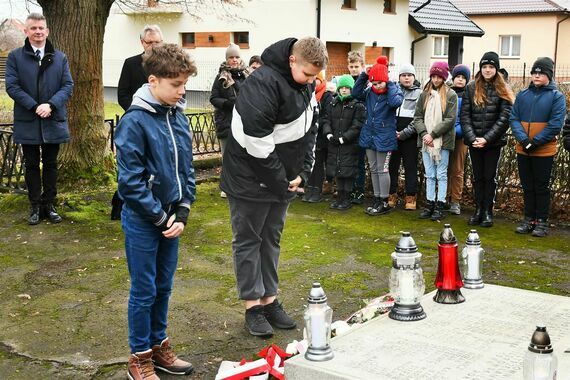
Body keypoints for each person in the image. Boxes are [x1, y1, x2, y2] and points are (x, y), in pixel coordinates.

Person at [220, 37, 327, 337]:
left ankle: (270, 299)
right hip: (249, 178)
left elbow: (310, 129)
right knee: (249, 240)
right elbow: (257, 142)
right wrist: (282, 182)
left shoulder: (305, 85)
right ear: (293, 60)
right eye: (307, 74)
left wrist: (303, 173)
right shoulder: (262, 83)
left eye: (315, 77)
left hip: (282, 181)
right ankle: (252, 305)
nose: (311, 82)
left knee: (271, 239)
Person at [115, 43, 197, 379]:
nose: (182, 91)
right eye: (176, 84)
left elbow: (186, 169)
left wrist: (182, 210)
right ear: (153, 80)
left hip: (170, 219)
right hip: (143, 221)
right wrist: (160, 218)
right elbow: (130, 183)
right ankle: (140, 356)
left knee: (164, 286)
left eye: (184, 84)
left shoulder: (177, 115)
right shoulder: (134, 121)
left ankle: (159, 345)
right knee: (144, 289)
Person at [5, 13, 74, 225]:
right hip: (29, 120)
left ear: (47, 31)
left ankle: (49, 205)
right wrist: (35, 106)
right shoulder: (15, 57)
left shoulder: (60, 58)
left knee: (51, 165)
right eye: (33, 28)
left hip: (53, 119)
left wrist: (50, 105)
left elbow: (67, 86)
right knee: (31, 165)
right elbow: (12, 86)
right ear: (26, 32)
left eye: (41, 28)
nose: (38, 32)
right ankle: (35, 205)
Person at [510, 57, 566, 237]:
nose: (536, 75)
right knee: (527, 186)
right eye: (534, 72)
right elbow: (514, 119)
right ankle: (528, 219)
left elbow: (555, 124)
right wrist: (524, 140)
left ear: (548, 75)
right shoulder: (522, 95)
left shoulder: (556, 97)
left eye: (540, 73)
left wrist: (535, 142)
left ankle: (541, 221)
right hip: (523, 149)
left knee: (541, 187)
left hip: (543, 150)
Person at [460, 52, 514, 227]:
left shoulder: (503, 88)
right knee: (477, 178)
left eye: (491, 67)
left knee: (489, 177)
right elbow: (465, 115)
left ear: (496, 69)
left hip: (493, 143)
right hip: (474, 141)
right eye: (485, 67)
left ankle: (487, 212)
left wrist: (487, 139)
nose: (488, 70)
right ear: (480, 69)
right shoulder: (470, 87)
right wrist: (473, 137)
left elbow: (504, 118)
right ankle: (478, 210)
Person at [353, 56, 403, 215]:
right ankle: (376, 198)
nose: (377, 86)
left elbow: (395, 103)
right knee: (373, 169)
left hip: (385, 136)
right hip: (369, 135)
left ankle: (384, 200)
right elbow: (355, 93)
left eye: (380, 83)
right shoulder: (368, 92)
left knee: (383, 169)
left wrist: (389, 84)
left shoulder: (393, 90)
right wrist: (364, 76)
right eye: (374, 84)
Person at [409, 61, 457, 221]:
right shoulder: (424, 94)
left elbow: (450, 119)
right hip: (425, 141)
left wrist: (433, 134)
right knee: (430, 174)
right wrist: (424, 134)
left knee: (441, 174)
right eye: (433, 76)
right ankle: (429, 203)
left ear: (444, 77)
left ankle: (440, 204)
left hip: (442, 141)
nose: (436, 80)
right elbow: (417, 117)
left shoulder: (451, 95)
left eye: (439, 76)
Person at [210, 43, 248, 198]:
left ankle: (241, 184)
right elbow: (213, 98)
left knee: (243, 155)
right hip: (227, 121)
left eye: (237, 56)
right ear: (227, 59)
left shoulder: (247, 75)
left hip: (245, 122)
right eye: (231, 57)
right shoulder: (221, 77)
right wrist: (228, 104)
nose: (234, 60)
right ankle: (226, 186)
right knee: (227, 156)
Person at [322, 74, 365, 210]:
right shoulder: (333, 103)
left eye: (347, 88)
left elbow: (357, 125)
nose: (344, 90)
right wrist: (329, 134)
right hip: (335, 143)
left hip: (349, 145)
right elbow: (326, 120)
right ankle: (339, 197)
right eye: (342, 88)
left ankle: (346, 199)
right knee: (338, 171)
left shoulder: (356, 106)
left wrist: (344, 138)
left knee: (348, 172)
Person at [389, 63, 421, 210]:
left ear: (414, 77)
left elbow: (418, 119)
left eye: (409, 75)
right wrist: (393, 132)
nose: (406, 78)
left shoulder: (420, 94)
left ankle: (411, 197)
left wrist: (403, 134)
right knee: (392, 167)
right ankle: (391, 194)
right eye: (403, 75)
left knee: (410, 167)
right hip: (392, 136)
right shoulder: (393, 91)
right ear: (399, 77)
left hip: (410, 137)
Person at [302, 70, 333, 203]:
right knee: (310, 163)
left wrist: (315, 124)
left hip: (320, 136)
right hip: (308, 135)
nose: (314, 81)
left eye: (317, 78)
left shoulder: (327, 96)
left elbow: (327, 116)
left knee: (318, 163)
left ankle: (317, 190)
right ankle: (309, 188)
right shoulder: (307, 93)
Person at [117, 25, 163, 112]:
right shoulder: (130, 63)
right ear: (142, 42)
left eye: (157, 42)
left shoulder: (171, 63)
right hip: (138, 115)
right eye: (149, 42)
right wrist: (136, 111)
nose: (153, 46)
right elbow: (123, 95)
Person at [446, 64, 471, 215]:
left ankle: (455, 200)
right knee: (443, 168)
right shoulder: (447, 93)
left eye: (463, 78)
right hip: (445, 136)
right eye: (458, 77)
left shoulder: (469, 95)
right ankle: (444, 198)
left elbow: (467, 118)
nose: (460, 80)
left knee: (457, 169)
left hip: (461, 137)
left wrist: (457, 131)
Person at [346, 50, 367, 204]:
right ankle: (348, 189)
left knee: (360, 162)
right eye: (351, 66)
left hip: (362, 128)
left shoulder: (366, 83)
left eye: (356, 66)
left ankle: (359, 191)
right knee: (349, 161)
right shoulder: (346, 81)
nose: (353, 69)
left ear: (362, 66)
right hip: (348, 127)